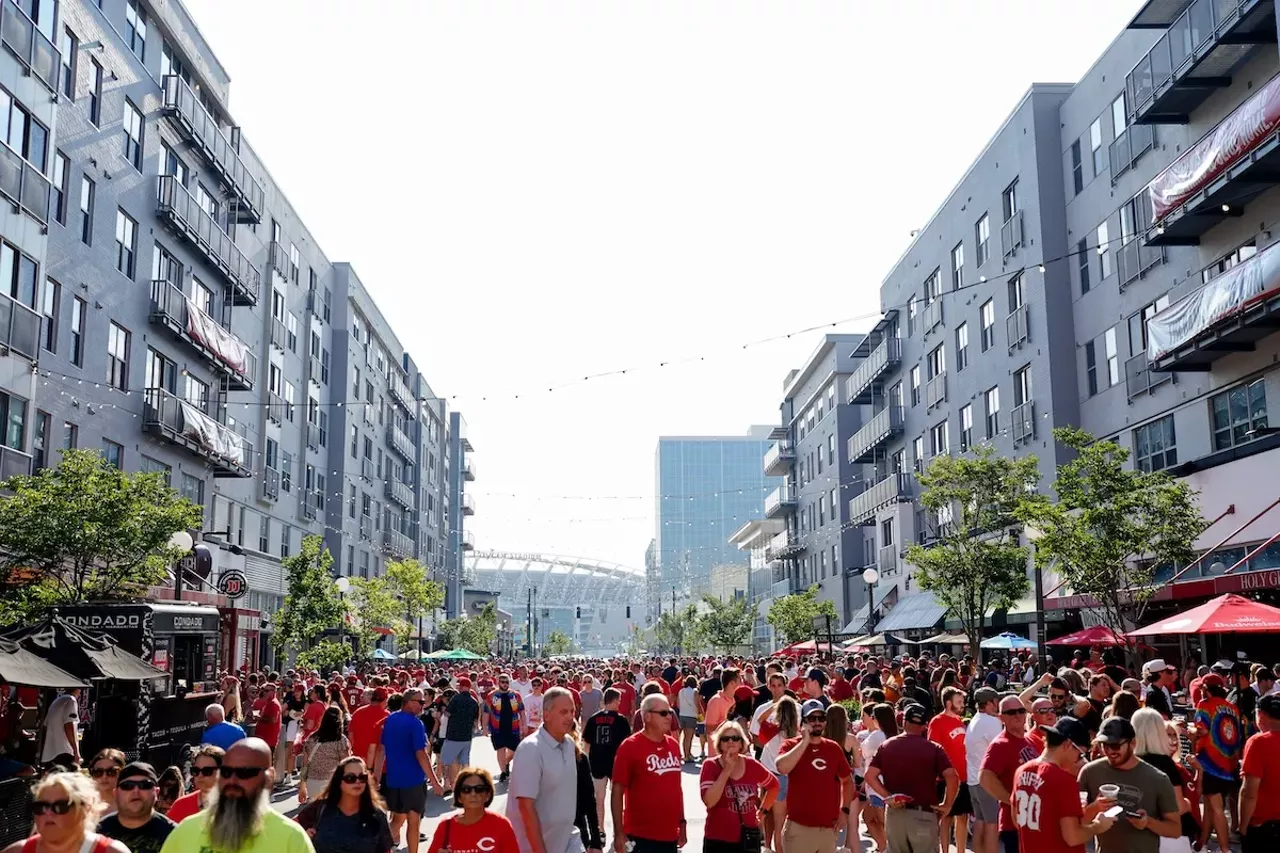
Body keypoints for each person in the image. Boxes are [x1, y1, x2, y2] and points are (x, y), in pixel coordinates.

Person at [161, 738, 314, 853]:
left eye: (245, 773)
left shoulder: (291, 838)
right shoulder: (186, 830)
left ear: (269, 777)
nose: (232, 781)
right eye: (226, 772)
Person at [1078, 717, 1181, 853]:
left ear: (1133, 743)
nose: (1109, 751)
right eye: (1104, 746)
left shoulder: (1157, 779)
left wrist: (1148, 822)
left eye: (1115, 745)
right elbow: (1076, 824)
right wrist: (1095, 808)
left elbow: (1175, 830)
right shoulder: (1089, 772)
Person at [864, 702, 957, 853]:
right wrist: (947, 805)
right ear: (924, 725)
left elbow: (870, 776)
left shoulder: (887, 745)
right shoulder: (934, 748)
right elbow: (952, 777)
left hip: (895, 815)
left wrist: (889, 797)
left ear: (903, 721)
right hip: (924, 814)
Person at [1009, 718, 1114, 851]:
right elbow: (1073, 838)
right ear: (1068, 745)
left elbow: (1017, 820)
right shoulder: (1063, 780)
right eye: (1080, 754)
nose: (1080, 760)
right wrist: (1098, 826)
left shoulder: (1021, 771)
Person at [775, 699, 854, 853]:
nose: (817, 722)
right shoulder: (791, 745)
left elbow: (848, 782)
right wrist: (805, 742)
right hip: (799, 829)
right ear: (803, 722)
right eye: (812, 718)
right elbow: (782, 767)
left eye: (821, 718)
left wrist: (844, 811)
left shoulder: (833, 748)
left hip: (828, 829)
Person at [611, 692, 686, 853]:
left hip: (670, 835)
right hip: (640, 836)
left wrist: (682, 823)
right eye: (663, 713)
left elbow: (677, 789)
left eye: (670, 712)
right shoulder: (629, 747)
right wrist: (618, 832)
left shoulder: (673, 745)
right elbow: (617, 791)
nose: (669, 717)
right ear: (647, 717)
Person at [507, 687, 580, 853]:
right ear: (546, 715)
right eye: (563, 712)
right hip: (533, 847)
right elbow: (526, 807)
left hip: (567, 840)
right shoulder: (530, 749)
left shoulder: (569, 744)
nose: (570, 717)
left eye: (572, 711)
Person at [372, 688, 445, 853]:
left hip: (393, 779)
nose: (423, 705)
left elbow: (381, 750)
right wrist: (435, 782)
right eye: (420, 702)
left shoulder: (390, 719)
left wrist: (376, 776)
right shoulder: (415, 723)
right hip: (412, 781)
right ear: (409, 702)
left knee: (397, 820)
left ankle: (378, 848)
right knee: (413, 821)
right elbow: (421, 754)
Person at [699, 720, 778, 853]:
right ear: (719, 742)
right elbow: (709, 801)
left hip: (747, 837)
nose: (731, 742)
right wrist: (727, 770)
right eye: (725, 739)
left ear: (742, 742)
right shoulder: (710, 766)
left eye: (735, 738)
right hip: (718, 839)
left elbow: (774, 785)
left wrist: (763, 812)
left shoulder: (751, 764)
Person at [1, 771, 128, 853]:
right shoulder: (17, 851)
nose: (48, 813)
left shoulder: (111, 851)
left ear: (85, 809)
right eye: (41, 807)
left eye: (61, 806)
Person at [295, 756, 394, 853]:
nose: (357, 782)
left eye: (362, 777)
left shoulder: (376, 816)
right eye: (350, 778)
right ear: (339, 781)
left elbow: (386, 850)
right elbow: (288, 829)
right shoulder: (320, 808)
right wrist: (302, 836)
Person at [980, 695, 1040, 853]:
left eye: (1021, 710)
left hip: (1035, 820)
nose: (1018, 715)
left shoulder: (1030, 740)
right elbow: (985, 777)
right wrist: (1012, 800)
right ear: (1001, 718)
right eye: (1011, 712)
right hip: (1014, 823)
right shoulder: (1000, 745)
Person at [1192, 673, 1244, 853]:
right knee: (1209, 805)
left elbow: (1203, 729)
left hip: (1209, 763)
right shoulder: (1233, 708)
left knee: (1216, 807)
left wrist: (1190, 732)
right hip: (1228, 764)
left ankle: (1224, 849)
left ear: (1205, 688)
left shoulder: (1204, 705)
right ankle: (1203, 844)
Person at [1131, 708, 1195, 853]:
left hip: (1135, 835)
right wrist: (1188, 804)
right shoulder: (1165, 763)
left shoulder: (1128, 761)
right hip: (1166, 836)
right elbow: (1178, 807)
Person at [427, 765, 520, 853]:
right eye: (466, 789)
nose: (473, 794)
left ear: (487, 795)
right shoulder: (445, 827)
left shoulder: (501, 825)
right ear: (459, 796)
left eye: (479, 789)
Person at [928, 685, 971, 853]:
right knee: (945, 817)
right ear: (948, 703)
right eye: (958, 702)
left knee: (963, 817)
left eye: (962, 701)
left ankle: (960, 850)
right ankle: (945, 851)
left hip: (964, 776)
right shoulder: (937, 722)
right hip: (945, 778)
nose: (962, 705)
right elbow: (933, 748)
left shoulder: (958, 721)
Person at [582, 687, 632, 834]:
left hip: (597, 761)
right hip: (615, 762)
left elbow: (587, 744)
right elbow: (626, 745)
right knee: (617, 798)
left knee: (599, 798)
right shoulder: (621, 720)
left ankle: (600, 829)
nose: (620, 703)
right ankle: (619, 829)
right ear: (615, 700)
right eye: (619, 700)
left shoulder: (593, 718)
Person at [96, 762, 175, 853]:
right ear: (116, 793)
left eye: (145, 785)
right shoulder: (97, 832)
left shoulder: (174, 834)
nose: (136, 791)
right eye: (127, 786)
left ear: (156, 793)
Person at [758, 695, 799, 853]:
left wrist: (774, 705)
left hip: (773, 778)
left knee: (777, 822)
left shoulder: (772, 730)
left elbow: (759, 720)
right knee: (786, 823)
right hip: (791, 779)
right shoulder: (797, 734)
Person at [1240, 693, 1280, 852]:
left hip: (1264, 827)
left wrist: (1243, 826)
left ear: (1261, 715)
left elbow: (1249, 792)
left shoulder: (1258, 742)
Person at [967, 687, 1003, 853]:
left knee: (981, 821)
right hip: (986, 782)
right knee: (992, 824)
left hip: (973, 781)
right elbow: (1000, 749)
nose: (998, 705)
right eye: (996, 702)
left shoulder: (975, 719)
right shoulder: (992, 722)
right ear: (989, 704)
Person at [300, 707, 351, 805]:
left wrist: (302, 785)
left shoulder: (312, 738)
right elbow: (346, 765)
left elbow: (305, 764)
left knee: (315, 814)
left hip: (312, 782)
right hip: (332, 783)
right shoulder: (341, 741)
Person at [484, 673, 525, 783]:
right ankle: (503, 771)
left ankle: (506, 763)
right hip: (497, 727)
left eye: (507, 682)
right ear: (498, 682)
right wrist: (484, 727)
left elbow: (521, 710)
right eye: (502, 681)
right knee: (500, 750)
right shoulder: (492, 695)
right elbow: (486, 712)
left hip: (513, 727)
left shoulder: (515, 695)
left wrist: (524, 725)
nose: (505, 684)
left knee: (516, 750)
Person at [442, 677, 482, 791]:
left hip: (453, 735)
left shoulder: (456, 699)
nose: (458, 687)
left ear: (464, 686)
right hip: (467, 736)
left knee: (448, 760)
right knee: (464, 762)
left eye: (460, 685)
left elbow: (447, 714)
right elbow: (475, 722)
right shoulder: (474, 702)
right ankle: (465, 785)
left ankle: (450, 785)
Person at [167, 745, 224, 823]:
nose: (200, 776)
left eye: (207, 771)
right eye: (196, 771)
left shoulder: (235, 804)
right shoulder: (181, 805)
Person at [349, 687, 390, 771]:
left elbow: (350, 736)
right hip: (379, 764)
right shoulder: (386, 715)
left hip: (359, 761)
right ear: (384, 700)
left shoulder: (357, 712)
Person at [40, 689, 80, 768]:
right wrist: (76, 751)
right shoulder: (71, 700)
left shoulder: (56, 701)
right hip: (65, 752)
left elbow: (45, 726)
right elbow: (68, 725)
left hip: (51, 753)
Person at [704, 669, 740, 756]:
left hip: (733, 756)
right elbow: (709, 729)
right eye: (740, 680)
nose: (741, 683)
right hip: (718, 756)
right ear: (732, 683)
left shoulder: (735, 700)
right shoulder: (716, 701)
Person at [676, 676, 698, 761]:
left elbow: (678, 704)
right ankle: (687, 755)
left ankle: (687, 754)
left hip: (682, 715)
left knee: (684, 737)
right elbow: (697, 704)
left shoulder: (681, 691)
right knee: (689, 737)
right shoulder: (694, 691)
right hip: (691, 715)